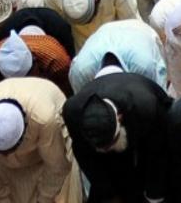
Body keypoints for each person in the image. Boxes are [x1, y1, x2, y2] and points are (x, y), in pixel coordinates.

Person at [0, 77, 81, 202]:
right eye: (2, 152)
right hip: (5, 167)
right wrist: (2, 195)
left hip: (53, 144)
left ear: (22, 135)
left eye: (9, 150)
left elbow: (56, 166)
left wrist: (44, 197)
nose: (7, 154)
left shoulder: (45, 119)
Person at [62, 71, 172, 203]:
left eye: (110, 144)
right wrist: (109, 194)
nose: (107, 149)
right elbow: (86, 157)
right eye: (102, 148)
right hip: (118, 136)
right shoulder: (72, 112)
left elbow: (157, 155)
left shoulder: (146, 107)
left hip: (149, 128)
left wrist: (154, 197)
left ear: (119, 119)